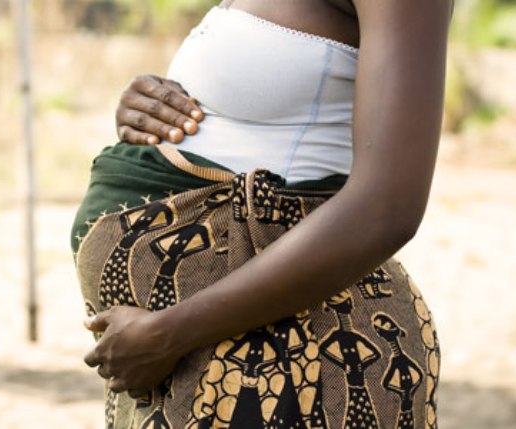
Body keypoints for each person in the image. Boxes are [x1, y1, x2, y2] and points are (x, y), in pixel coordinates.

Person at [71, 0, 451, 427]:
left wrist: (168, 333)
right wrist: (150, 108)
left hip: (293, 354)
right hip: (200, 355)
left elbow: (387, 209)